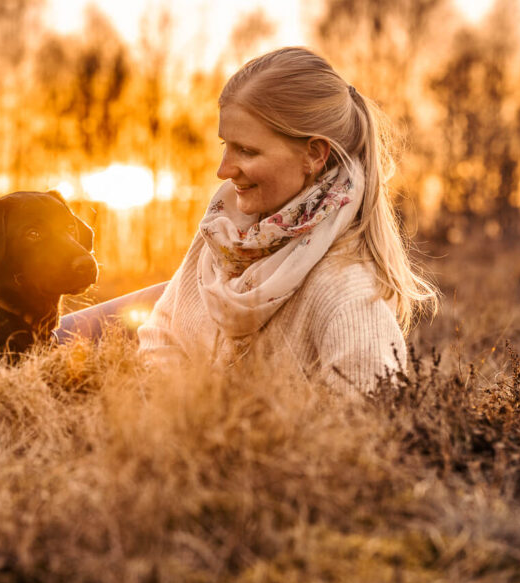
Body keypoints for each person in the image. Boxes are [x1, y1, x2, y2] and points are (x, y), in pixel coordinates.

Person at [136, 46, 438, 393]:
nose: (223, 170)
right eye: (226, 145)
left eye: (247, 150)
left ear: (313, 154)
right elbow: (159, 333)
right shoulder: (226, 233)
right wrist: (182, 416)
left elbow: (367, 435)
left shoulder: (348, 299)